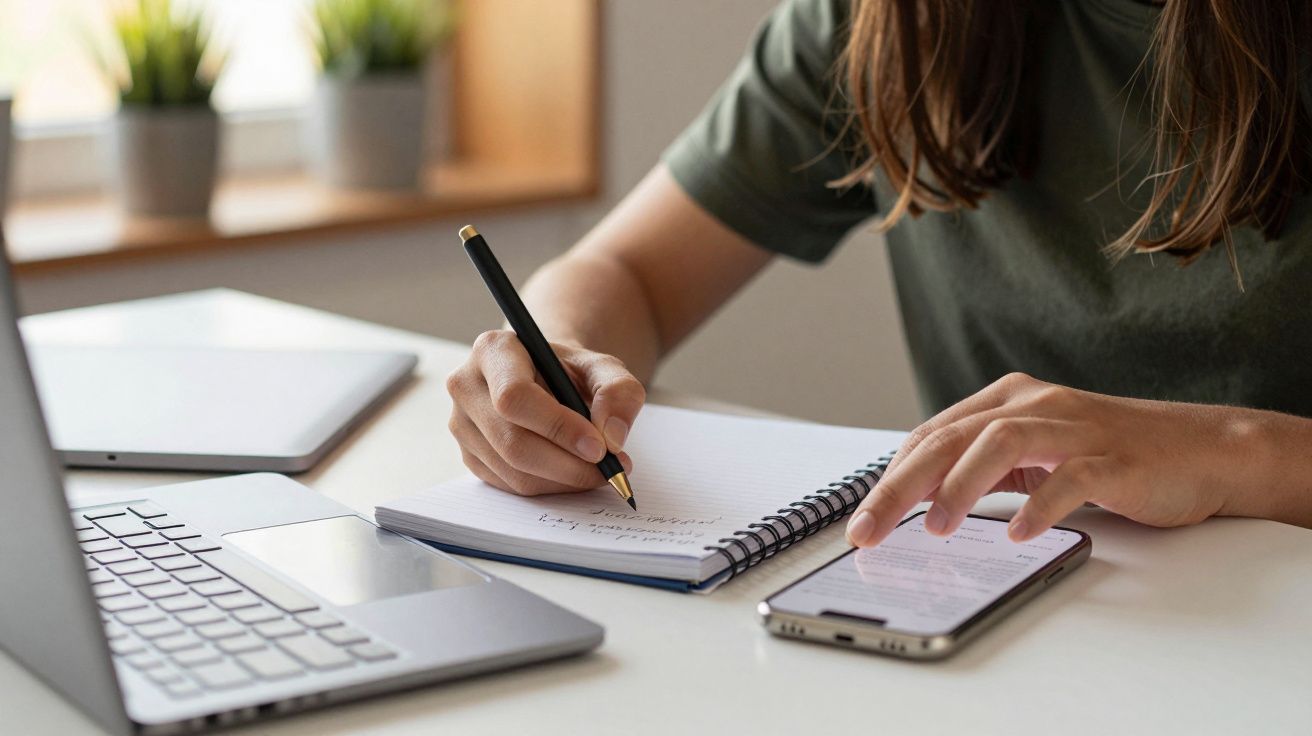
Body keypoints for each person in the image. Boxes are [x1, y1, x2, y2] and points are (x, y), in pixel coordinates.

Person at [443, 0, 1312, 549]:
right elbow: (628, 269)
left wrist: (1236, 451)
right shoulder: (883, 21)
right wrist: (555, 364)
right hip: (1002, 600)